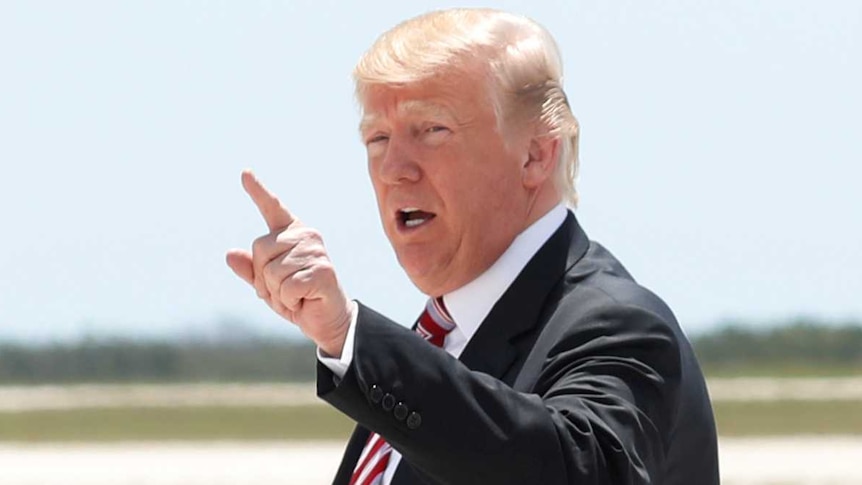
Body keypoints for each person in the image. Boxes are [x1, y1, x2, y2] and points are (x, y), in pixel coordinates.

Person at [226, 8, 719, 485]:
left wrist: (348, 335)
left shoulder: (616, 324)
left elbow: (576, 470)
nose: (394, 168)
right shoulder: (436, 342)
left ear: (535, 154)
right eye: (377, 138)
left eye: (432, 130)